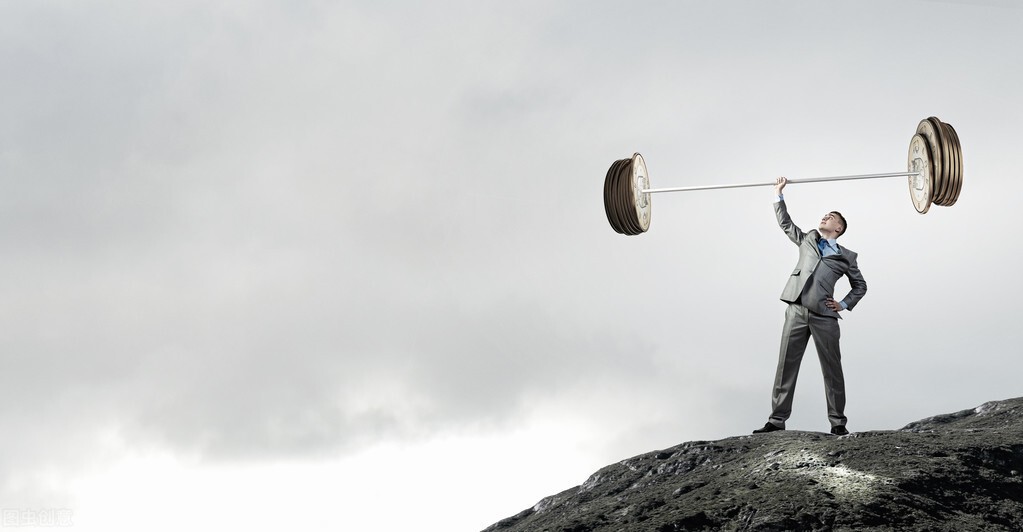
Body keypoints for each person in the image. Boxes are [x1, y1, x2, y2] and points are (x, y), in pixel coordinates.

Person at [753, 177, 867, 436]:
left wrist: (843, 304)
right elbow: (785, 223)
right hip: (796, 308)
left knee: (832, 369)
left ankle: (838, 423)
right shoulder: (808, 239)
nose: (825, 217)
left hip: (825, 316)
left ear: (839, 228)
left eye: (831, 217)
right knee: (786, 365)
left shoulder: (847, 257)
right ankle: (776, 420)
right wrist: (778, 193)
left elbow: (860, 286)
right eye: (824, 215)